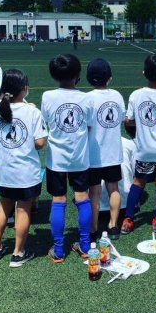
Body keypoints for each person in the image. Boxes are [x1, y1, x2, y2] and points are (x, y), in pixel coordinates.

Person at [0, 69, 47, 267]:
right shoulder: (32, 111)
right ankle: (18, 252)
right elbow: (40, 143)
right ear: (24, 89)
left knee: (4, 206)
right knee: (23, 209)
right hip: (26, 172)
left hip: (4, 172)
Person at [41, 54, 92, 263]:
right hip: (79, 158)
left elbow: (46, 122)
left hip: (57, 159)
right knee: (82, 198)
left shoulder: (47, 96)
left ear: (54, 75)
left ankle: (59, 250)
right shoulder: (86, 98)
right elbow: (88, 126)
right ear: (78, 74)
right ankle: (86, 245)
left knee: (58, 200)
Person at [121, 54, 156, 234]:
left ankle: (128, 219)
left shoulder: (136, 95)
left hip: (144, 150)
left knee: (138, 182)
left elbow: (128, 121)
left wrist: (141, 124)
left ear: (144, 72)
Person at [86, 59, 126, 241]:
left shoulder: (87, 98)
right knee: (113, 188)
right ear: (109, 78)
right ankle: (113, 225)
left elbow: (86, 126)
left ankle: (93, 227)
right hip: (113, 152)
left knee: (93, 192)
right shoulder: (117, 96)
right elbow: (120, 118)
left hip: (93, 154)